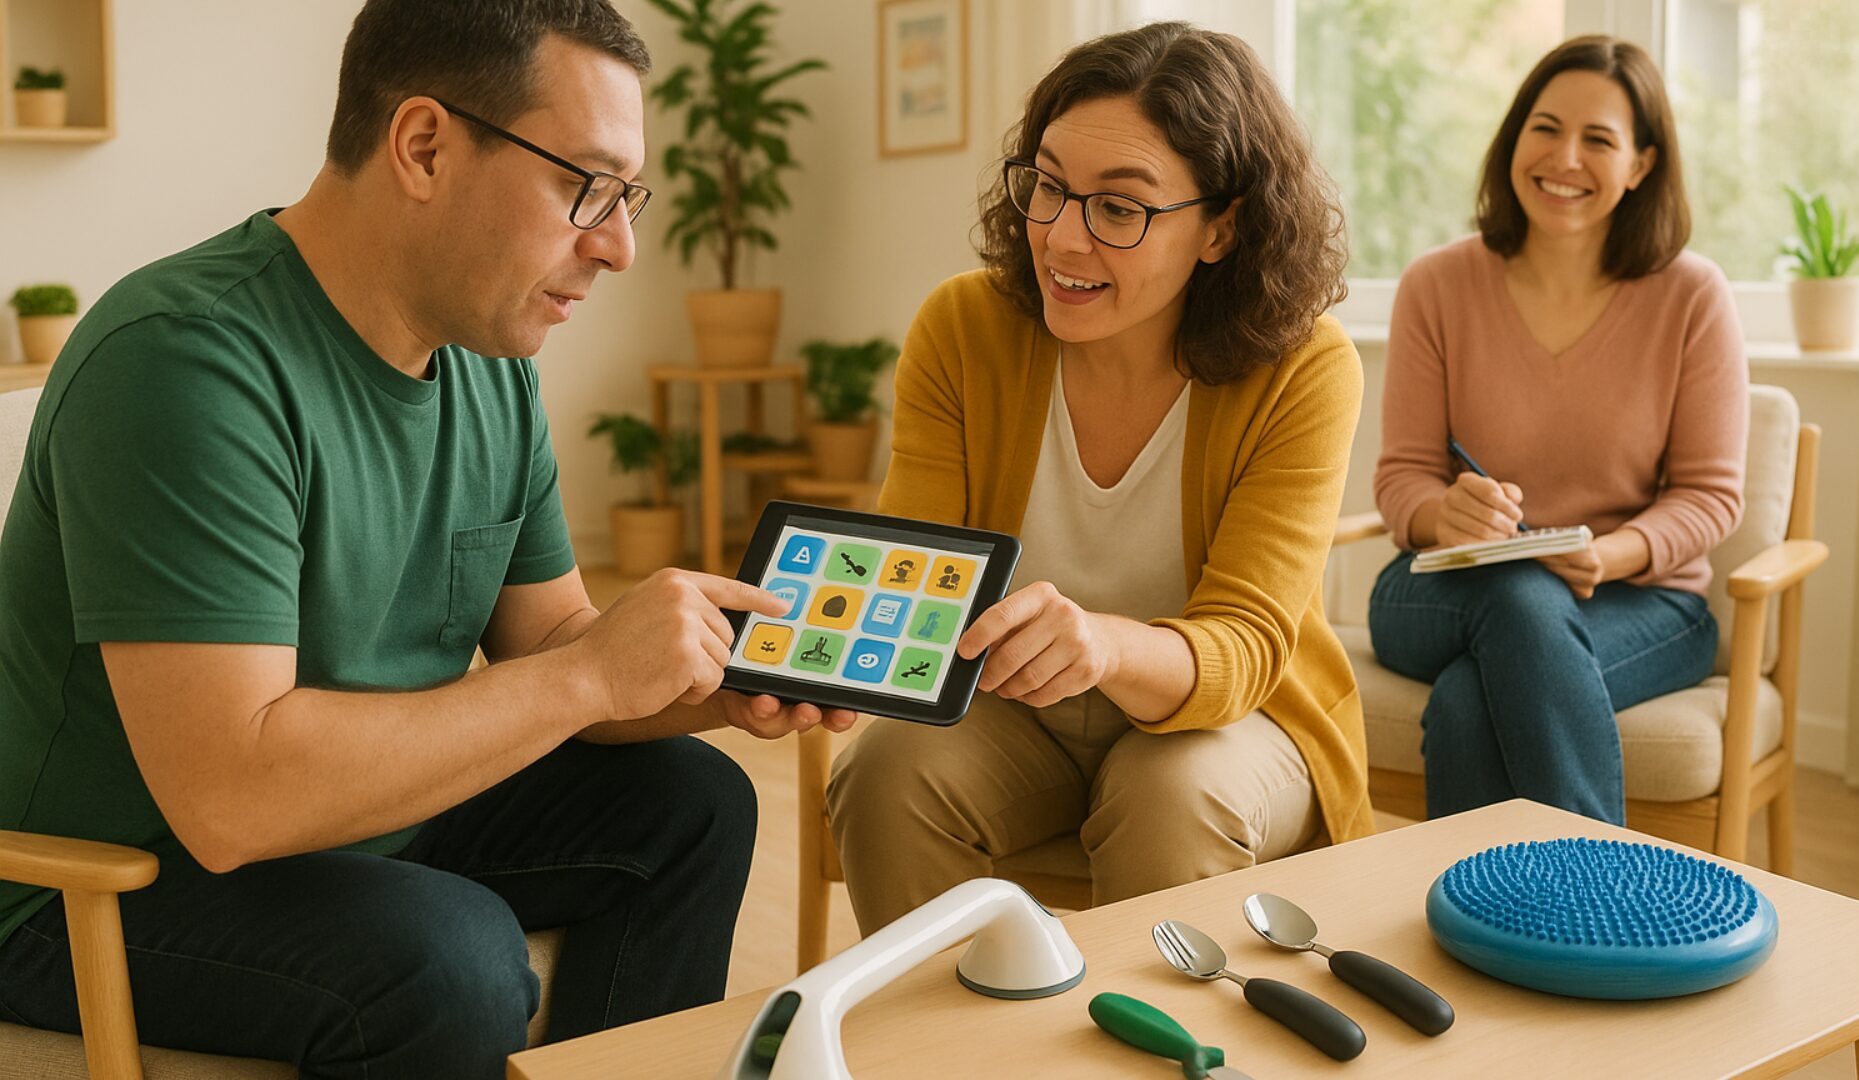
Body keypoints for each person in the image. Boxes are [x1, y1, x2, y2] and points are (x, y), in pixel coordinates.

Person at [0, 2, 854, 1075]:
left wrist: (707, 683)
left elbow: (553, 646)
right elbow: (230, 798)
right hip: (102, 881)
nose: (621, 245)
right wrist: (591, 675)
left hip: (363, 813)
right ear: (423, 146)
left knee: (692, 804)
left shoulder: (488, 363)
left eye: (628, 195)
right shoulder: (184, 361)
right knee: (449, 958)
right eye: (585, 185)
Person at [826, 21, 1370, 933]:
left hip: (1232, 720)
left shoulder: (1305, 366)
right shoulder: (962, 329)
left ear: (1222, 227)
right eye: (1049, 187)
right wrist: (819, 644)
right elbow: (915, 578)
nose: (1062, 240)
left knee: (1171, 795)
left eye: (1119, 209)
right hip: (1011, 710)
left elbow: (1242, 647)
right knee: (886, 776)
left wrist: (1105, 646)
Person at [1368, 35, 1747, 826]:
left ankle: (1480, 930)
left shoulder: (1693, 296)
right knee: (1516, 587)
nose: (1563, 156)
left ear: (1641, 164)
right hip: (1442, 588)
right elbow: (1402, 476)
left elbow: (1711, 497)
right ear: (1514, 140)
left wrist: (1604, 557)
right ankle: (1604, 903)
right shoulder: (1436, 286)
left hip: (1643, 601)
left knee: (1473, 699)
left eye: (1599, 139)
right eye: (1545, 127)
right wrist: (1448, 515)